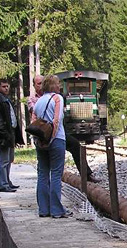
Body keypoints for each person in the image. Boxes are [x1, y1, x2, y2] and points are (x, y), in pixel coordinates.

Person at [28, 74, 100, 183]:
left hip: (56, 132)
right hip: (43, 134)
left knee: (75, 145)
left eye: (43, 82)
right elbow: (36, 115)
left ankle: (86, 174)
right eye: (39, 83)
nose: (41, 85)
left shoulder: (55, 96)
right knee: (48, 165)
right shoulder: (34, 100)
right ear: (34, 85)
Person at [33, 75, 70, 218]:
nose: (60, 86)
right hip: (56, 140)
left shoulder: (39, 101)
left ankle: (43, 209)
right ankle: (56, 210)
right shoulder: (57, 98)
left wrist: (38, 140)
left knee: (42, 173)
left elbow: (34, 122)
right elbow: (57, 120)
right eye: (58, 83)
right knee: (55, 173)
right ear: (54, 86)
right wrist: (51, 138)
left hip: (40, 141)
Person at [0, 78, 24, 192]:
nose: (6, 88)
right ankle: (3, 184)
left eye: (7, 86)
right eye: (3, 86)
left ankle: (7, 181)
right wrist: (4, 134)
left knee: (9, 159)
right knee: (3, 160)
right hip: (4, 135)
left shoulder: (7, 100)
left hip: (10, 132)